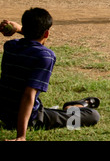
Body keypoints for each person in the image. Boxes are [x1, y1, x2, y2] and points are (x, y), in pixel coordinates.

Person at [0, 8, 100, 141]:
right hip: (32, 118)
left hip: (5, 113)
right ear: (46, 33)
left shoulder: (10, 46)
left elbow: (30, 35)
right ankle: (75, 106)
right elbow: (28, 95)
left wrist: (19, 29)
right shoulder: (45, 56)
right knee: (92, 115)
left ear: (25, 28)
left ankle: (72, 107)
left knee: (49, 111)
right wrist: (21, 136)